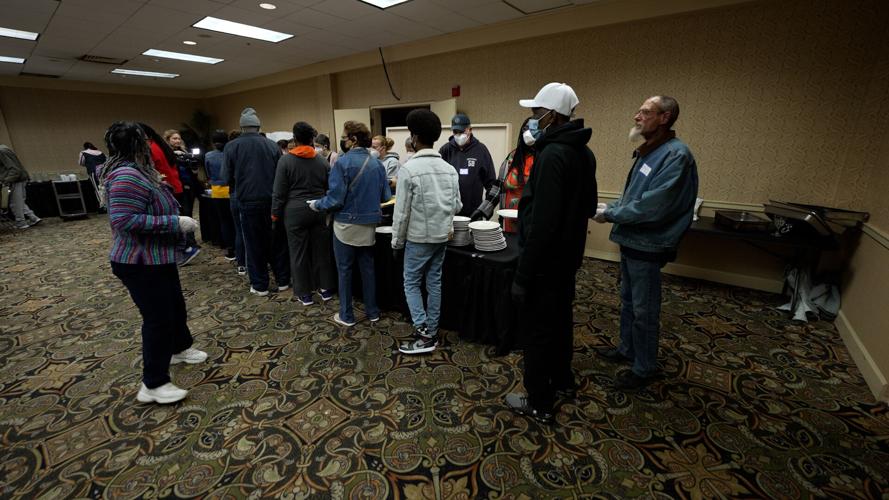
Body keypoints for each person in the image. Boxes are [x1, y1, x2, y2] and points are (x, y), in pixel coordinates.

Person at [506, 83, 598, 424]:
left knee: (537, 332)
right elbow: (587, 206)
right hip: (567, 259)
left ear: (553, 116)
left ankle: (539, 402)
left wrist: (523, 275)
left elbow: (542, 224)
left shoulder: (552, 155)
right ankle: (563, 381)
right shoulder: (584, 152)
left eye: (536, 113)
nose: (532, 120)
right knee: (560, 323)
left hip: (543, 264)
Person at [593, 95, 699, 391]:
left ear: (664, 117)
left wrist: (611, 213)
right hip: (633, 241)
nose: (636, 117)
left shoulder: (676, 155)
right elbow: (634, 197)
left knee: (644, 309)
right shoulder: (650, 151)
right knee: (628, 302)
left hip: (648, 244)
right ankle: (628, 349)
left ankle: (644, 368)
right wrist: (610, 207)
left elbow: (653, 206)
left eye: (645, 112)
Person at [99, 121, 207, 404]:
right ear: (136, 145)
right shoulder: (126, 175)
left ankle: (179, 347)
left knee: (174, 306)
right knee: (158, 319)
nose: (151, 146)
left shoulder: (138, 171)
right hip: (139, 261)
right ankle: (154, 383)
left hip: (157, 257)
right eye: (146, 142)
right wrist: (174, 221)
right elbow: (123, 220)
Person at [392, 110, 461, 355]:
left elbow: (401, 214)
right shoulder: (449, 169)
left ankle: (424, 333)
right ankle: (431, 329)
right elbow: (457, 206)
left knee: (411, 283)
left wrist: (396, 242)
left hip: (418, 239)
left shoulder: (409, 170)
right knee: (434, 283)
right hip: (442, 236)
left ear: (414, 137)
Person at [309, 120, 391, 327]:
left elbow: (335, 199)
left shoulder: (343, 163)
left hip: (345, 224)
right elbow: (385, 195)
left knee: (344, 270)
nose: (343, 142)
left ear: (353, 140)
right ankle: (372, 311)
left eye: (345, 138)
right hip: (370, 224)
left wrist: (317, 205)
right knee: (368, 269)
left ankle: (346, 315)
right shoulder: (377, 164)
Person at [223, 107, 290, 296]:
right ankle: (283, 280)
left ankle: (260, 285)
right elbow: (281, 175)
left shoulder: (232, 147)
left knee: (253, 244)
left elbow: (226, 177)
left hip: (247, 201)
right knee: (276, 242)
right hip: (271, 201)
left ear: (242, 127)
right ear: (259, 125)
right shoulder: (272, 145)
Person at [272, 121, 337, 306]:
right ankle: (325, 289)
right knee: (321, 251)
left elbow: (279, 193)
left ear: (295, 138)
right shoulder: (321, 160)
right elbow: (329, 187)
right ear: (311, 139)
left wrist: (275, 215)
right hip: (318, 209)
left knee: (298, 253)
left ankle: (305, 294)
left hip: (294, 212)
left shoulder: (285, 161)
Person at [140, 123, 200, 266]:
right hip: (174, 187)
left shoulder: (153, 148)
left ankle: (184, 248)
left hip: (170, 188)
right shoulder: (160, 148)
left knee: (174, 219)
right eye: (174, 139)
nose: (177, 141)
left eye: (178, 138)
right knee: (178, 217)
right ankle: (185, 247)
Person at [439, 113, 496, 217]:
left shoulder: (481, 150)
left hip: (474, 212)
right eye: (456, 132)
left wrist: (485, 210)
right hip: (449, 213)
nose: (459, 135)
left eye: (462, 131)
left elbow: (491, 183)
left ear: (470, 129)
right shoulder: (446, 150)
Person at [500, 118, 535, 233]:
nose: (528, 132)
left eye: (532, 129)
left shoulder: (543, 157)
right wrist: (485, 209)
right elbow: (499, 184)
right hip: (509, 216)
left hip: (532, 218)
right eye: (525, 129)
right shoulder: (513, 156)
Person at [204, 131, 236, 260]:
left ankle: (229, 248)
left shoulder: (208, 155)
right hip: (232, 189)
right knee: (235, 221)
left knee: (224, 221)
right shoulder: (232, 153)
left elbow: (208, 173)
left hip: (217, 191)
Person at [0, 144, 41, 229]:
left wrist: (6, 181)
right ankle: (33, 218)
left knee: (15, 203)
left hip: (15, 180)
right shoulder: (3, 148)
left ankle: (21, 223)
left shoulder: (1, 151)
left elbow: (14, 169)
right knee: (19, 201)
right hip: (19, 178)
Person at [226, 129, 246, 275]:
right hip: (247, 195)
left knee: (239, 230)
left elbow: (225, 177)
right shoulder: (246, 155)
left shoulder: (229, 153)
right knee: (250, 232)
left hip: (234, 194)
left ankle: (241, 264)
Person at [79, 142, 107, 207]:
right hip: (104, 171)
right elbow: (106, 160)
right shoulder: (100, 152)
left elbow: (81, 162)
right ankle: (108, 203)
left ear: (85, 147)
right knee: (105, 187)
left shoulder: (83, 152)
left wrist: (88, 163)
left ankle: (102, 206)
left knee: (97, 187)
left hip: (93, 171)